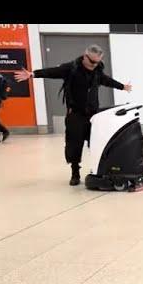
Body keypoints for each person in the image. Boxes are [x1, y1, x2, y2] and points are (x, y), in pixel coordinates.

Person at [14, 44, 132, 185]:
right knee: (74, 144)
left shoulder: (97, 71)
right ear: (85, 56)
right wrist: (33, 74)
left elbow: (107, 81)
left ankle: (98, 170)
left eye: (98, 62)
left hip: (93, 115)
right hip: (75, 114)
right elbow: (53, 72)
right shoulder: (71, 68)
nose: (95, 65)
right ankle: (75, 172)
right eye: (93, 61)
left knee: (96, 143)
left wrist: (122, 87)